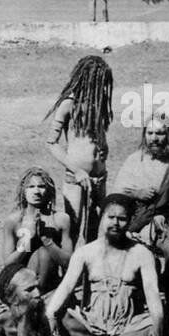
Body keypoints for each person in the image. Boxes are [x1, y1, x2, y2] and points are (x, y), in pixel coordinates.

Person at [45, 194, 164, 336]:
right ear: (102, 217)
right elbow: (66, 286)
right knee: (62, 317)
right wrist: (50, 315)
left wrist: (157, 323)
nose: (115, 223)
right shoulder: (86, 252)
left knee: (155, 325)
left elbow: (152, 292)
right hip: (92, 324)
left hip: (129, 324)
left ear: (130, 220)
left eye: (122, 218)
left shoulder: (142, 253)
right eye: (111, 217)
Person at [113, 115, 169, 311]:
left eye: (160, 133)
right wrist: (137, 193)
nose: (154, 138)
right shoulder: (135, 160)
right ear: (144, 135)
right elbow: (117, 194)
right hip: (137, 219)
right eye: (150, 133)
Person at [46, 55, 113, 245]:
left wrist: (104, 146)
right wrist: (76, 170)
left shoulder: (99, 103)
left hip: (99, 178)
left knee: (96, 230)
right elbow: (51, 143)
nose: (102, 87)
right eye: (99, 82)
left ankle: (89, 273)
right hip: (75, 179)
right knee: (72, 229)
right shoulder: (69, 104)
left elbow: (96, 133)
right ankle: (67, 271)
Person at [1, 167, 74, 295]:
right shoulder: (13, 221)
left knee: (45, 252)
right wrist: (27, 239)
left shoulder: (61, 220)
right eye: (31, 187)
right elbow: (8, 265)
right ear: (23, 190)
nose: (36, 191)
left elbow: (69, 262)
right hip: (23, 288)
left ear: (49, 190)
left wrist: (47, 241)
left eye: (41, 186)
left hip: (52, 287)